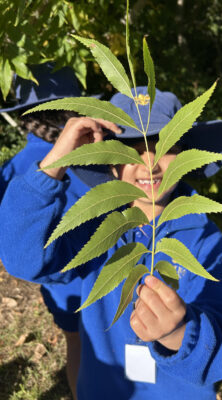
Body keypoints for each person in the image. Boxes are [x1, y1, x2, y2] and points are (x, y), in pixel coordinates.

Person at [0, 86, 222, 400]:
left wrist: (179, 333)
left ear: (185, 153)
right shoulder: (95, 231)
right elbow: (23, 258)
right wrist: (54, 165)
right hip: (104, 389)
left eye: (164, 145)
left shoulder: (202, 237)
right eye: (129, 148)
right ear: (110, 163)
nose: (149, 163)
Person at [0, 63, 107, 399]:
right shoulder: (97, 155)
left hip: (59, 282)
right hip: (105, 272)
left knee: (76, 341)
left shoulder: (17, 165)